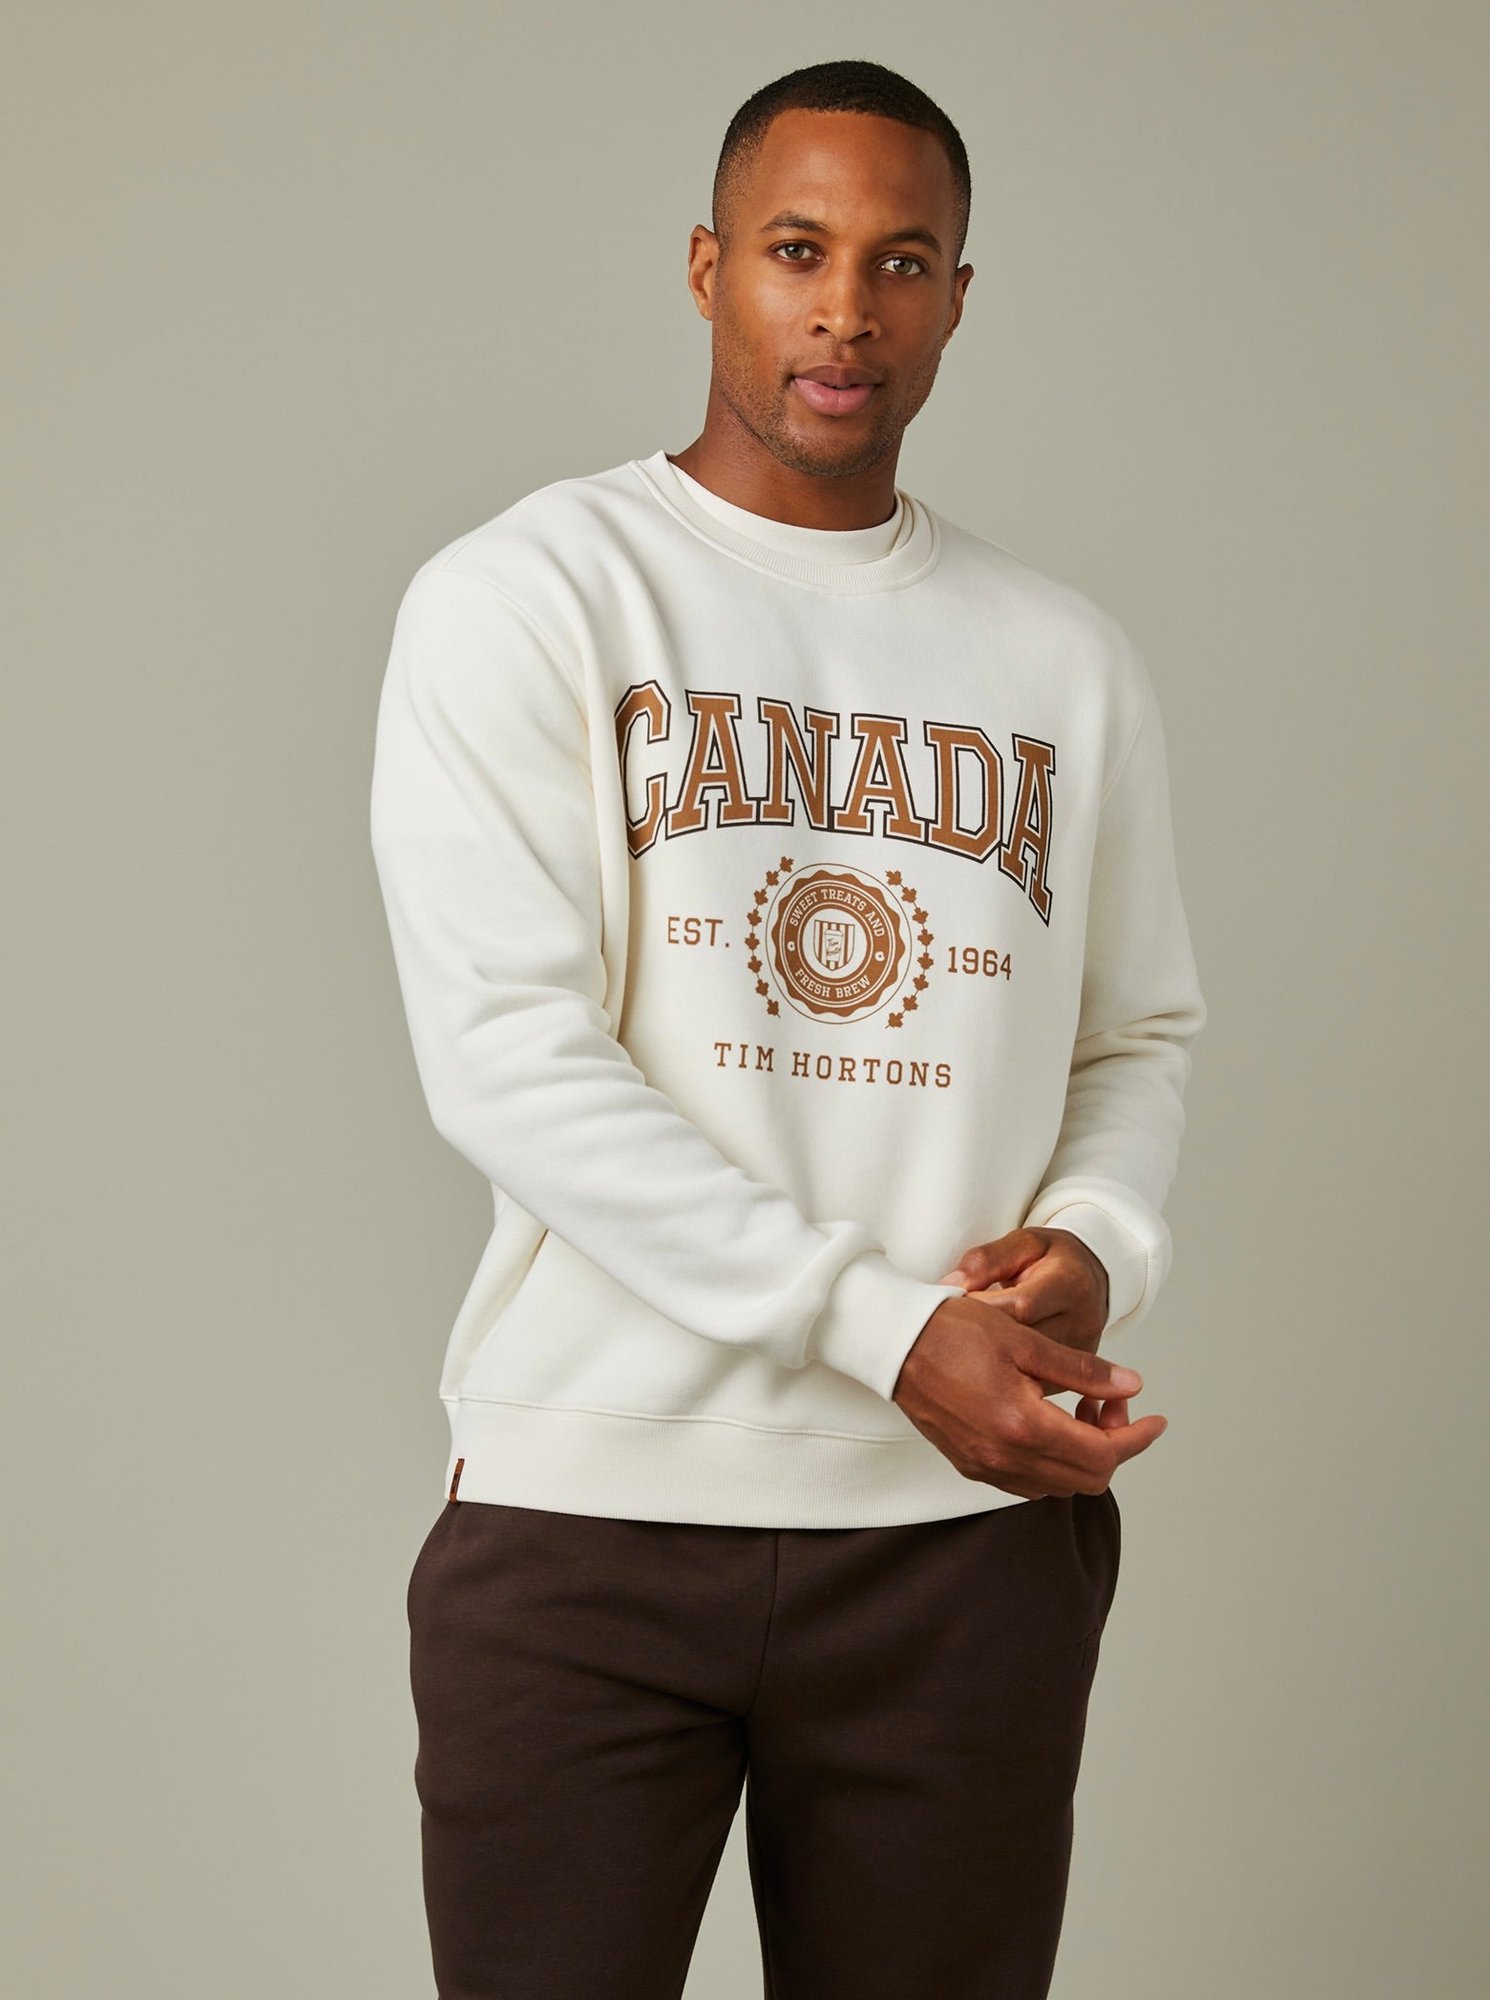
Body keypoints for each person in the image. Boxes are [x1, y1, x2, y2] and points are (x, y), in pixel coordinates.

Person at [369, 56, 1206, 2000]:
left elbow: (1134, 1038)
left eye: (901, 262)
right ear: (706, 268)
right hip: (591, 1521)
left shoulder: (1063, 661)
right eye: (797, 251)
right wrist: (883, 1327)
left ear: (958, 298)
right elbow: (508, 1056)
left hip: (958, 1542)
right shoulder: (530, 595)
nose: (847, 311)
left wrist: (1095, 1239)